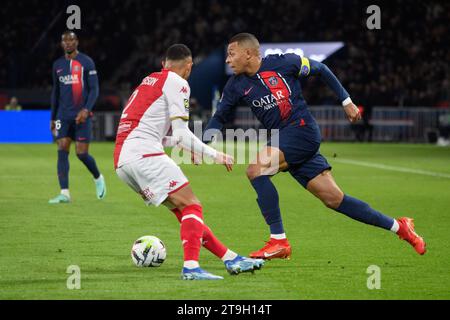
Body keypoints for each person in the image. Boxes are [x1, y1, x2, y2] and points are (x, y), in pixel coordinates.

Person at [204, 33, 426, 259]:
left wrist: (346, 101)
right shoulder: (235, 85)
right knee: (335, 199)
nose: (227, 60)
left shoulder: (284, 62)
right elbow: (219, 117)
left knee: (255, 170)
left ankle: (278, 241)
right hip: (287, 140)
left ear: (248, 53)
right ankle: (401, 227)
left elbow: (321, 69)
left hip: (301, 130)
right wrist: (201, 146)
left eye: (231, 54)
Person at [114, 44, 264, 280]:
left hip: (124, 161)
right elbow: (183, 132)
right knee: (193, 206)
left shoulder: (149, 80)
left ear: (164, 63)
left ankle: (229, 257)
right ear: (189, 66)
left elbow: (146, 129)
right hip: (144, 155)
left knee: (184, 212)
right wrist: (216, 155)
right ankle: (191, 268)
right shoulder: (177, 82)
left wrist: (179, 144)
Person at [49, 30, 106, 204]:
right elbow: (55, 92)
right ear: (61, 44)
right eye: (65, 40)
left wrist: (86, 110)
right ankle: (64, 193)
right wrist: (52, 117)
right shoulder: (57, 65)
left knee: (81, 153)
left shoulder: (86, 62)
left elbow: (94, 89)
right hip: (63, 115)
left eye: (71, 40)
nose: (68, 43)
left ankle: (98, 177)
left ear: (77, 42)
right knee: (62, 149)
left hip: (81, 114)